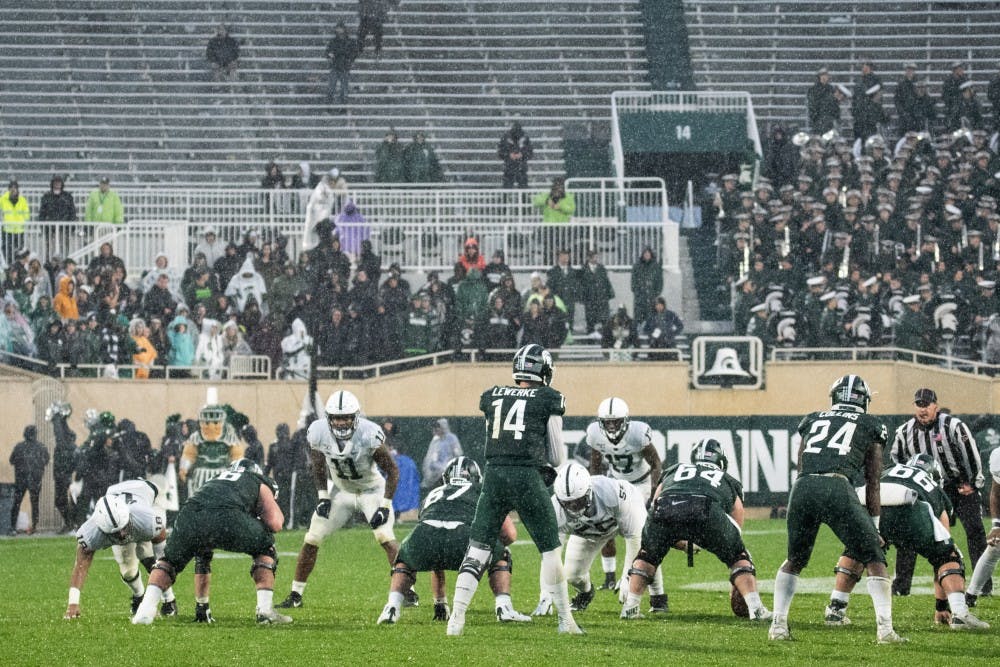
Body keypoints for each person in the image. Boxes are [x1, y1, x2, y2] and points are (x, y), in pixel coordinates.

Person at [447, 344, 584, 636]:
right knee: (549, 550)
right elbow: (557, 456)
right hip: (526, 477)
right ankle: (565, 621)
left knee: (478, 547)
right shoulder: (548, 398)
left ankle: (456, 619)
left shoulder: (493, 394)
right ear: (544, 370)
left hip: (494, 475)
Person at [768, 375, 904, 643]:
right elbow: (873, 481)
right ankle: (885, 630)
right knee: (875, 558)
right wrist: (874, 524)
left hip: (803, 487)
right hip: (836, 487)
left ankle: (778, 625)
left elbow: (801, 465)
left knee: (795, 560)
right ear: (864, 400)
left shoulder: (813, 419)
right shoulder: (871, 424)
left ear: (835, 396)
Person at [277, 390, 415, 609]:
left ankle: (408, 590)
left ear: (356, 417)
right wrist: (323, 496)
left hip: (371, 491)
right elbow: (318, 466)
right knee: (312, 538)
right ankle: (296, 594)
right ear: (329, 418)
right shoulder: (319, 432)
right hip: (340, 492)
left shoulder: (369, 434)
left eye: (346, 418)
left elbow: (393, 470)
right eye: (337, 418)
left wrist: (386, 505)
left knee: (385, 537)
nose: (341, 423)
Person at [821, 453, 988, 630]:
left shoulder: (890, 469)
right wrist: (941, 605)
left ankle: (835, 610)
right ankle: (960, 613)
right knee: (947, 557)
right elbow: (944, 543)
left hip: (868, 501)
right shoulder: (934, 487)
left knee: (856, 551)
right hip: (910, 501)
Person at [622, 438, 771, 621]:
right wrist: (725, 546)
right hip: (705, 509)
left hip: (665, 507)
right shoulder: (727, 479)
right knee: (739, 558)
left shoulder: (675, 470)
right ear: (721, 461)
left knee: (647, 556)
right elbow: (736, 515)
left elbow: (657, 501)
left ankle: (630, 607)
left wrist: (672, 538)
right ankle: (755, 608)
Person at [132, 458, 289, 625]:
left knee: (169, 561)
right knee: (266, 548)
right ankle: (264, 610)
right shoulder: (257, 480)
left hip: (189, 515)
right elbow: (275, 523)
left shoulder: (215, 479)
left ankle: (145, 611)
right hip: (229, 517)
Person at [377, 456, 531, 625]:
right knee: (503, 555)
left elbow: (435, 541)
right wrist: (491, 548)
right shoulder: (481, 490)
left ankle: (392, 606)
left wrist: (440, 602)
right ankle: (504, 606)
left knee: (403, 561)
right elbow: (510, 534)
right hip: (464, 536)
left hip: (424, 536)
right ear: (476, 477)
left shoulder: (433, 494)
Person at [888, 388, 988, 597]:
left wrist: (972, 483)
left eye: (926, 404)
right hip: (927, 489)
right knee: (910, 533)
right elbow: (897, 459)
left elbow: (971, 453)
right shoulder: (904, 431)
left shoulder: (953, 426)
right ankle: (901, 586)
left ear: (936, 406)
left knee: (975, 532)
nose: (922, 409)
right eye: (919, 404)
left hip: (957, 486)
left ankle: (982, 586)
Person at [534, 462, 662, 616]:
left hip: (622, 518)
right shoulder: (555, 510)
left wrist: (628, 577)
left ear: (589, 492)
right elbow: (550, 555)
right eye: (568, 504)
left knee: (647, 550)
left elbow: (635, 537)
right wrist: (545, 594)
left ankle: (658, 598)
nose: (574, 508)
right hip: (589, 532)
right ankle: (586, 593)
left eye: (578, 501)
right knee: (572, 575)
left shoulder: (611, 493)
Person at [64, 479, 177, 620]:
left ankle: (169, 600)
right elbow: (81, 565)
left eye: (123, 528)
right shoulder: (91, 533)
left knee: (147, 554)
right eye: (116, 533)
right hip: (120, 499)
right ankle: (139, 597)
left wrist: (162, 567)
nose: (122, 535)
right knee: (128, 570)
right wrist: (73, 603)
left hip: (150, 496)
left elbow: (160, 538)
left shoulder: (147, 518)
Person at [585, 397, 663, 596]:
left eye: (616, 421)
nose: (611, 426)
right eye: (607, 422)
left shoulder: (637, 433)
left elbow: (656, 463)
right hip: (617, 482)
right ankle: (610, 578)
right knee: (605, 523)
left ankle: (636, 579)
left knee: (639, 532)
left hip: (641, 482)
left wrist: (653, 492)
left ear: (626, 420)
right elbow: (595, 464)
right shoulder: (595, 433)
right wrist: (595, 489)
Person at [178, 404, 246, 498]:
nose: (211, 426)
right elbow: (189, 455)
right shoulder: (196, 437)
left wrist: (239, 471)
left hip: (222, 474)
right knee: (200, 500)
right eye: (207, 422)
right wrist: (183, 468)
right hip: (201, 475)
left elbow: (237, 456)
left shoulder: (229, 437)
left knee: (222, 500)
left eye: (215, 422)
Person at [966, 444, 1000, 605]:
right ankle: (971, 595)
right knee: (994, 548)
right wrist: (996, 525)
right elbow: (996, 492)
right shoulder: (998, 456)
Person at [8, 425, 49, 535]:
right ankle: (34, 526)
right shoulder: (41, 447)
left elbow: (11, 460)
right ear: (35, 434)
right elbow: (46, 460)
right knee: (34, 504)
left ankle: (12, 527)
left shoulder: (19, 447)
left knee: (17, 503)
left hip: (21, 479)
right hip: (35, 480)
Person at [46, 400, 78, 532]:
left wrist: (57, 419)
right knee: (63, 501)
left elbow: (59, 434)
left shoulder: (66, 446)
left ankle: (72, 523)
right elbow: (61, 433)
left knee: (63, 501)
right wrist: (61, 419)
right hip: (63, 475)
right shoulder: (67, 446)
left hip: (64, 475)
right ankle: (71, 523)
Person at [38, 175, 77, 259]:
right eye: (55, 182)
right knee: (50, 250)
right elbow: (42, 213)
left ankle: (63, 265)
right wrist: (43, 227)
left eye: (59, 182)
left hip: (64, 228)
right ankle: (50, 266)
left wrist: (71, 227)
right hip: (50, 229)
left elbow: (72, 212)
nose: (57, 184)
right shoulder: (46, 197)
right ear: (52, 183)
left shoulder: (67, 197)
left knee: (63, 249)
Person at [421, 418, 463, 492]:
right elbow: (431, 459)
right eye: (435, 427)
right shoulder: (435, 440)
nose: (436, 429)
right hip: (436, 477)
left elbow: (458, 454)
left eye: (438, 427)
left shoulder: (452, 438)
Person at [578, 249, 614, 335]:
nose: (595, 259)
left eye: (595, 257)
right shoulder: (583, 269)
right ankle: (590, 338)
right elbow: (581, 285)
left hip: (602, 298)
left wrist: (609, 294)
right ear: (588, 258)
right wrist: (583, 297)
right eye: (593, 257)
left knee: (604, 319)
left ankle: (605, 338)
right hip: (590, 299)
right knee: (590, 320)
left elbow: (606, 281)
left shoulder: (601, 268)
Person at [325, 21, 357, 108]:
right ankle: (329, 106)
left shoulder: (349, 41)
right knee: (331, 88)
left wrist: (348, 59)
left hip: (344, 67)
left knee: (344, 89)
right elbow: (328, 52)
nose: (339, 31)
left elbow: (354, 53)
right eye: (338, 29)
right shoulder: (334, 41)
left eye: (340, 29)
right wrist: (330, 56)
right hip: (336, 66)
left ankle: (343, 106)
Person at [630, 246, 663, 326]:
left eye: (648, 254)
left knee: (651, 316)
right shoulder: (637, 266)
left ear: (651, 255)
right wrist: (636, 291)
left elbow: (659, 281)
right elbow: (633, 280)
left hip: (651, 296)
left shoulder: (655, 266)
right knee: (639, 316)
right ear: (643, 255)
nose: (647, 255)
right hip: (640, 296)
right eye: (645, 254)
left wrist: (656, 293)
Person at [0, 180, 29, 265]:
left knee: (20, 250)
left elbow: (27, 214)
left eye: (15, 188)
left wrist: (22, 220)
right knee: (6, 249)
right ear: (9, 189)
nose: (13, 190)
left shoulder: (22, 200)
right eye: (11, 188)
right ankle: (9, 265)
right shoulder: (3, 199)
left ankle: (18, 266)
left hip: (19, 229)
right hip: (7, 229)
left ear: (17, 189)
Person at [498, 122, 533, 189]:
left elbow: (530, 151)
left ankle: (523, 199)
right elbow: (500, 151)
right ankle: (505, 199)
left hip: (520, 167)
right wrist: (509, 155)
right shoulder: (506, 137)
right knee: (507, 188)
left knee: (523, 188)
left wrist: (522, 154)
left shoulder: (524, 137)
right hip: (510, 167)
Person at [807, 67, 839, 134]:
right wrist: (814, 117)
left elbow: (835, 105)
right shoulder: (813, 89)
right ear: (819, 77)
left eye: (826, 75)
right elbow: (811, 105)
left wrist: (834, 117)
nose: (824, 77)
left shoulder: (831, 89)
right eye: (822, 75)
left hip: (829, 121)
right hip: (817, 121)